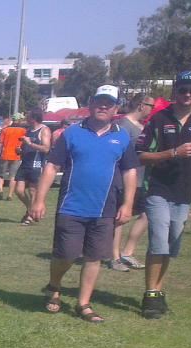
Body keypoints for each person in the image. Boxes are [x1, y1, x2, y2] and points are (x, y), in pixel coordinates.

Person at [29, 85, 140, 324]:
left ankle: (83, 304)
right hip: (71, 206)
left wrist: (128, 204)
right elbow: (51, 166)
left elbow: (130, 171)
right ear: (91, 104)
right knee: (66, 254)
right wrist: (39, 200)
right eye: (99, 101)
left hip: (105, 209)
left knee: (94, 257)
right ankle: (54, 285)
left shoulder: (122, 136)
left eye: (109, 103)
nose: (103, 106)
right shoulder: (72, 133)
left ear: (116, 109)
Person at [133, 71, 191, 319]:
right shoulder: (158, 119)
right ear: (175, 91)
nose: (188, 94)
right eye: (183, 89)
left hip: (183, 193)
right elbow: (141, 155)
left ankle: (159, 290)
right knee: (158, 241)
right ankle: (150, 294)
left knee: (171, 244)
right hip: (157, 189)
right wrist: (174, 153)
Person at [108, 94, 156, 271]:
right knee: (120, 218)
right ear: (141, 105)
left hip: (142, 179)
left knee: (148, 213)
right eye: (151, 106)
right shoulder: (122, 126)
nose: (152, 110)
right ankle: (114, 257)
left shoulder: (142, 126)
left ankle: (127, 252)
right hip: (124, 180)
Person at [15, 110, 51, 224]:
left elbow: (46, 148)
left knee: (32, 191)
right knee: (19, 190)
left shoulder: (44, 130)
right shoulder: (28, 130)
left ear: (34, 118)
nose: (26, 118)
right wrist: (20, 150)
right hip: (25, 163)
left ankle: (30, 216)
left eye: (28, 116)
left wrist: (30, 144)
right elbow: (25, 147)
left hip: (36, 164)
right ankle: (31, 209)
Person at [0, 114, 27, 200]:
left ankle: (0, 190)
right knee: (13, 176)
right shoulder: (23, 131)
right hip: (16, 156)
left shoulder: (5, 130)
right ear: (20, 120)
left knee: (0, 174)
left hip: (5, 155)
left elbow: (0, 143)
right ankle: (10, 195)